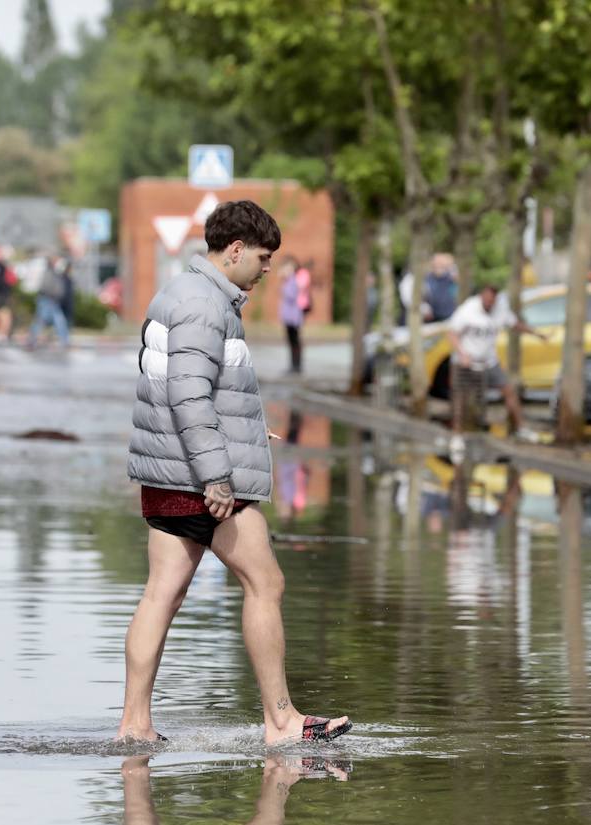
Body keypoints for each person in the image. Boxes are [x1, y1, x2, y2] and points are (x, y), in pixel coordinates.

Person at [120, 199, 352, 745]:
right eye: (264, 258)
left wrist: (245, 432)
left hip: (169, 474)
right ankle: (281, 722)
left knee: (162, 595)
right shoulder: (205, 305)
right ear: (237, 250)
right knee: (265, 582)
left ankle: (134, 724)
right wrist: (217, 476)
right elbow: (187, 394)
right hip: (201, 481)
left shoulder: (179, 293)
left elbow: (179, 387)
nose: (268, 269)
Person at [446, 284, 545, 439]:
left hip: (489, 360)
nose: (489, 304)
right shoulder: (468, 310)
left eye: (491, 301)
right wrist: (462, 354)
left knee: (508, 390)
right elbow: (452, 333)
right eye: (486, 301)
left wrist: (537, 333)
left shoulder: (501, 309)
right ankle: (457, 433)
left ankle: (520, 428)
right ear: (481, 297)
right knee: (460, 397)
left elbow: (515, 324)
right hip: (466, 361)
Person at [28, 254, 71, 348]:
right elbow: (45, 287)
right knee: (41, 321)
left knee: (59, 321)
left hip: (53, 301)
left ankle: (65, 341)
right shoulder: (48, 273)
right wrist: (54, 295)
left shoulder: (55, 273)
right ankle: (31, 340)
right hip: (47, 301)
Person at [277, 257, 305, 373]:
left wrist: (283, 288)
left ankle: (296, 366)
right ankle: (293, 365)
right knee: (291, 341)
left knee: (295, 341)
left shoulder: (293, 280)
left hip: (293, 317)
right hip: (289, 317)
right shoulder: (288, 281)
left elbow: (291, 295)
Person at [423, 253, 459, 322]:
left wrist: (450, 266)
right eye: (436, 263)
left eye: (440, 263)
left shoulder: (450, 277)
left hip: (450, 314)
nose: (438, 265)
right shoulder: (427, 278)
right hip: (432, 316)